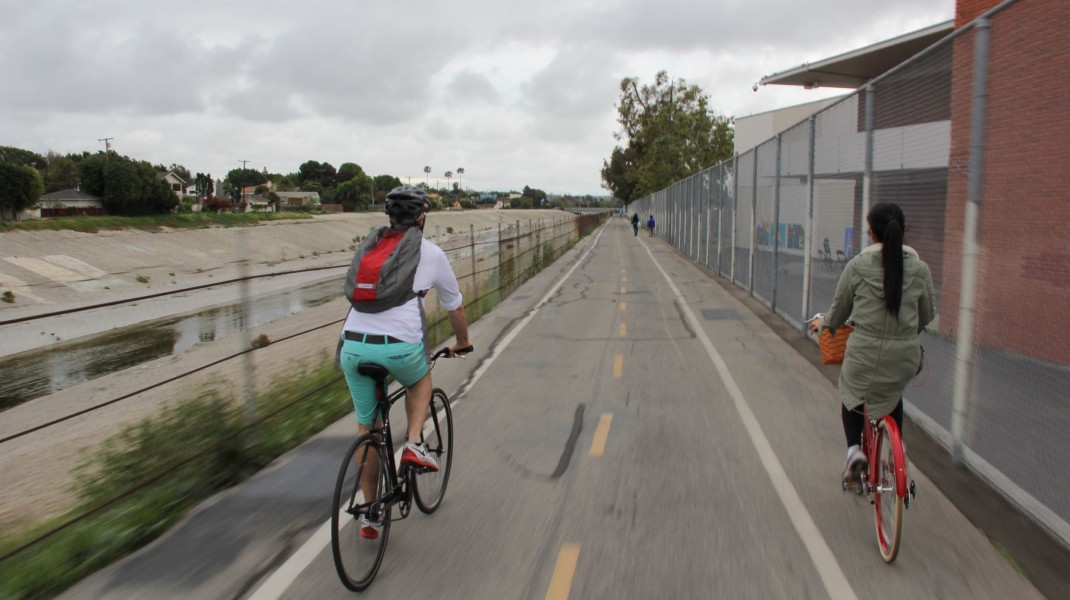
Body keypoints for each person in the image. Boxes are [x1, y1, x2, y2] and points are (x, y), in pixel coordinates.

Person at [337, 185, 472, 538]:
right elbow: (454, 306)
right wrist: (462, 341)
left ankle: (368, 514)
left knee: (368, 429)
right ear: (422, 218)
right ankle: (414, 442)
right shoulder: (431, 253)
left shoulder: (371, 249)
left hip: (351, 347)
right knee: (419, 380)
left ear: (390, 217)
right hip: (398, 348)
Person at [807, 202, 935, 486]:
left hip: (864, 355)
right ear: (903, 232)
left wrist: (823, 323)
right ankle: (896, 449)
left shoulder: (858, 266)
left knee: (851, 394)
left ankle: (854, 452)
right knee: (892, 391)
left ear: (873, 234)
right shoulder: (920, 268)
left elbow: (839, 312)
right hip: (905, 358)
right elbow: (928, 315)